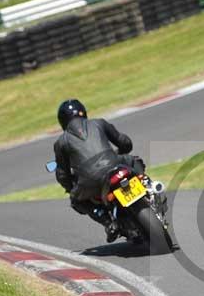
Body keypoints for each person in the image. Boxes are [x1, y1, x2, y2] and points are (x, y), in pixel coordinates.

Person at [53, 99, 145, 241]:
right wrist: (122, 151)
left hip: (90, 180)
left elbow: (62, 174)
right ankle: (147, 186)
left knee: (76, 200)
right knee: (134, 160)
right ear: (83, 112)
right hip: (115, 164)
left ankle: (108, 223)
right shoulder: (99, 123)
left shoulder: (61, 142)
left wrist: (70, 187)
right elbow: (124, 142)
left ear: (62, 121)